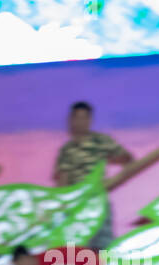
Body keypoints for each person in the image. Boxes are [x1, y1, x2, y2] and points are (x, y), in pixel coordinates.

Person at [53, 101, 132, 250]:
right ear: (70, 120)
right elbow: (62, 184)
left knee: (104, 248)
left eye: (84, 118)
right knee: (79, 252)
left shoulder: (101, 141)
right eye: (76, 118)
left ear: (90, 120)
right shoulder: (66, 150)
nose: (80, 122)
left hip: (98, 203)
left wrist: (116, 178)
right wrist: (62, 207)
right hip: (77, 207)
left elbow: (127, 158)